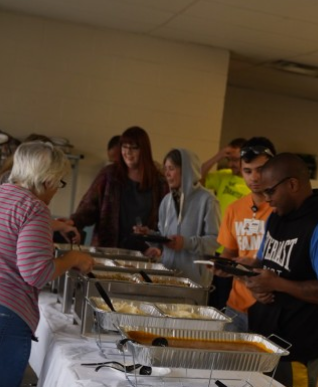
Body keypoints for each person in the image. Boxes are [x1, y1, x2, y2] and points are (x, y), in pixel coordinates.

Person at [0, 141, 94, 387]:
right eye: (60, 182)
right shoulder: (35, 209)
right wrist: (73, 257)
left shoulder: (4, 193)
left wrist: (50, 227)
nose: (58, 190)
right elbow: (36, 272)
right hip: (7, 319)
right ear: (46, 179)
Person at [244, 153, 318, 387]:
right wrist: (248, 276)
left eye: (270, 191)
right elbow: (265, 264)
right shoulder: (278, 216)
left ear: (292, 184)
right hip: (264, 337)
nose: (267, 199)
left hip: (297, 346)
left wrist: (276, 284)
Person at [70, 126, 168, 250]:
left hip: (145, 254)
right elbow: (88, 208)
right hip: (107, 251)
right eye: (124, 147)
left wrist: (159, 246)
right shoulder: (109, 175)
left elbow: (166, 223)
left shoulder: (159, 183)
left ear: (144, 150)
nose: (127, 152)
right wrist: (72, 223)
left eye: (134, 148)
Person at [215, 137, 276, 331]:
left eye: (261, 170)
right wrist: (221, 266)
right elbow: (229, 252)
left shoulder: (282, 209)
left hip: (269, 305)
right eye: (248, 171)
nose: (254, 178)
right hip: (236, 306)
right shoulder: (235, 209)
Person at [137, 148, 220, 287]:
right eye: (165, 169)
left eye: (171, 168)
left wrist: (186, 243)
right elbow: (165, 240)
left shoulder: (208, 200)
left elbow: (215, 241)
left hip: (194, 282)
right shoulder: (166, 201)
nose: (167, 174)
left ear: (187, 171)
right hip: (166, 278)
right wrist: (149, 236)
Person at [202, 138, 249, 309]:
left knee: (224, 300)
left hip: (236, 250)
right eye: (229, 159)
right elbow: (197, 175)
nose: (232, 163)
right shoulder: (224, 176)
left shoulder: (252, 183)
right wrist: (218, 155)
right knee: (211, 298)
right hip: (218, 246)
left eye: (236, 159)